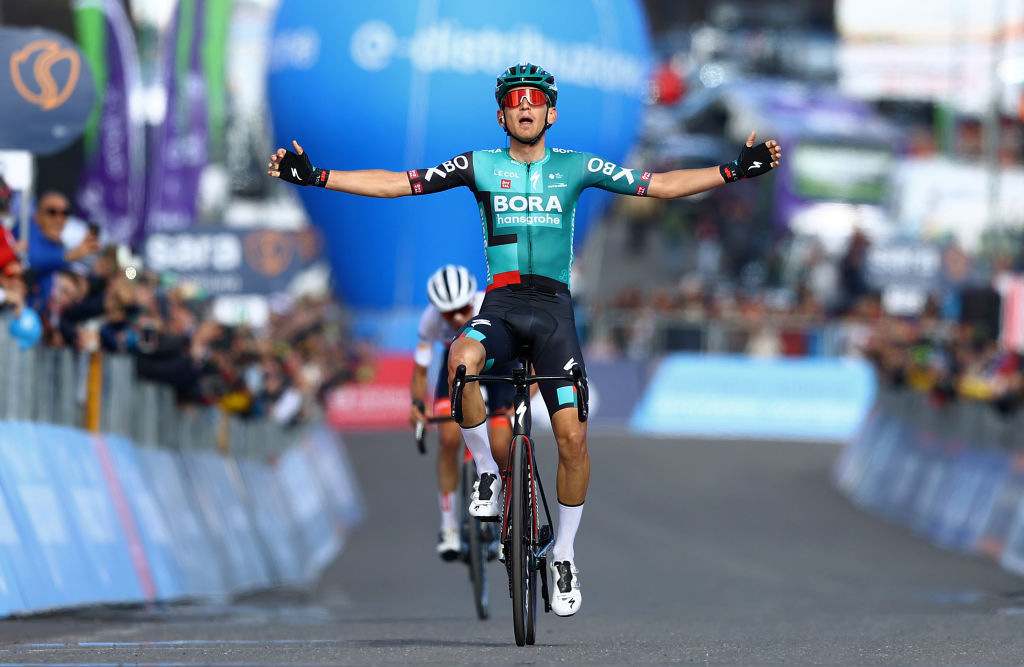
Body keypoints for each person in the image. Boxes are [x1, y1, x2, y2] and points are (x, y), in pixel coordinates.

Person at [267, 62, 781, 617]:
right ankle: (487, 472)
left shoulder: (577, 167)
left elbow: (660, 186)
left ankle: (563, 553)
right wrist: (316, 176)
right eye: (516, 100)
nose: (527, 106)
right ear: (503, 115)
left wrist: (735, 171)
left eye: (536, 100)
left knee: (572, 440)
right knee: (461, 361)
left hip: (555, 311)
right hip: (504, 306)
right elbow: (398, 184)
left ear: (551, 113)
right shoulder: (480, 166)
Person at [409, 264, 512, 561]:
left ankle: (510, 525)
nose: (456, 317)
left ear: (472, 299)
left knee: (503, 443)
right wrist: (417, 405)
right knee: (449, 439)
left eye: (462, 308)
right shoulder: (429, 321)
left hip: (497, 363)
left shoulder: (488, 305)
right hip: (457, 363)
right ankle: (449, 527)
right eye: (447, 312)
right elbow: (420, 371)